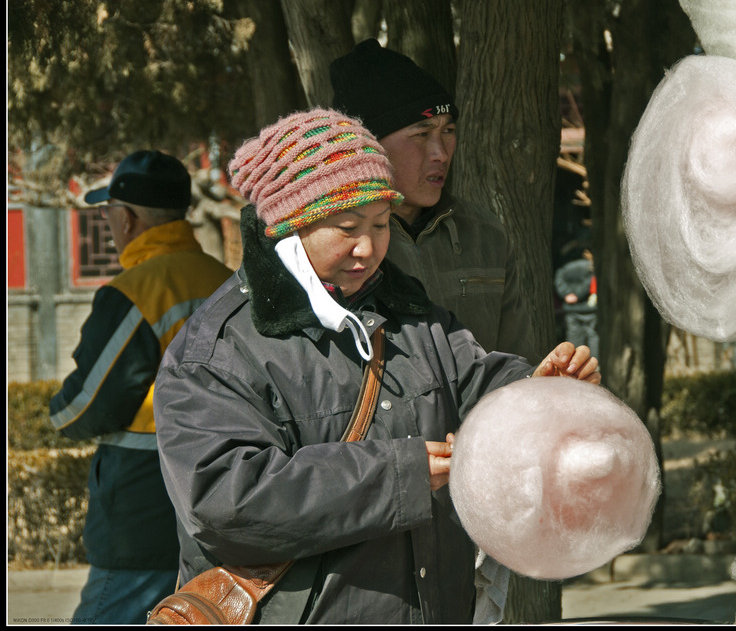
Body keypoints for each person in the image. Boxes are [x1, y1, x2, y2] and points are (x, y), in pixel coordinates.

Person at [154, 109, 601, 625]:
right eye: (347, 228)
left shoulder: (408, 314)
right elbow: (225, 500)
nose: (367, 248)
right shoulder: (221, 347)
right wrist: (394, 475)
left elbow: (474, 382)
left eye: (381, 224)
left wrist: (535, 394)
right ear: (289, 229)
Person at [49, 150, 233, 625]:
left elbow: (88, 404)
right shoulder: (226, 282)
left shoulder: (134, 290)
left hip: (143, 506)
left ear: (126, 218)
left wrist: (56, 412)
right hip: (222, 502)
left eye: (109, 213)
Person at [329, 38, 539, 363]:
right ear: (369, 145)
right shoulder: (331, 243)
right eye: (421, 134)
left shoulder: (484, 234)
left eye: (448, 130)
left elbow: (517, 365)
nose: (441, 153)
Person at [554, 246, 599, 359]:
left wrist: (566, 293)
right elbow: (587, 285)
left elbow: (559, 276)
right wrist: (574, 295)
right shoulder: (589, 268)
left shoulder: (567, 268)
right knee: (592, 338)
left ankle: (573, 367)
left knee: (575, 339)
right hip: (587, 309)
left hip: (576, 310)